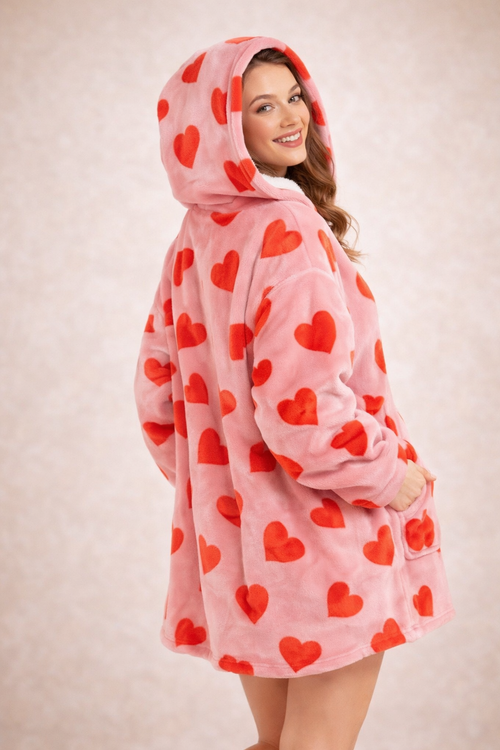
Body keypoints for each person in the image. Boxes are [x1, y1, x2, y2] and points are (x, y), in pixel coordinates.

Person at [134, 36, 455, 750]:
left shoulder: (196, 237)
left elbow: (157, 394)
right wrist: (391, 477)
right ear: (221, 126)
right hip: (322, 543)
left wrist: (221, 486)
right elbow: (303, 413)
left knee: (279, 744)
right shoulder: (286, 229)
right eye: (261, 107)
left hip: (240, 556)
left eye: (294, 97)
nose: (291, 118)